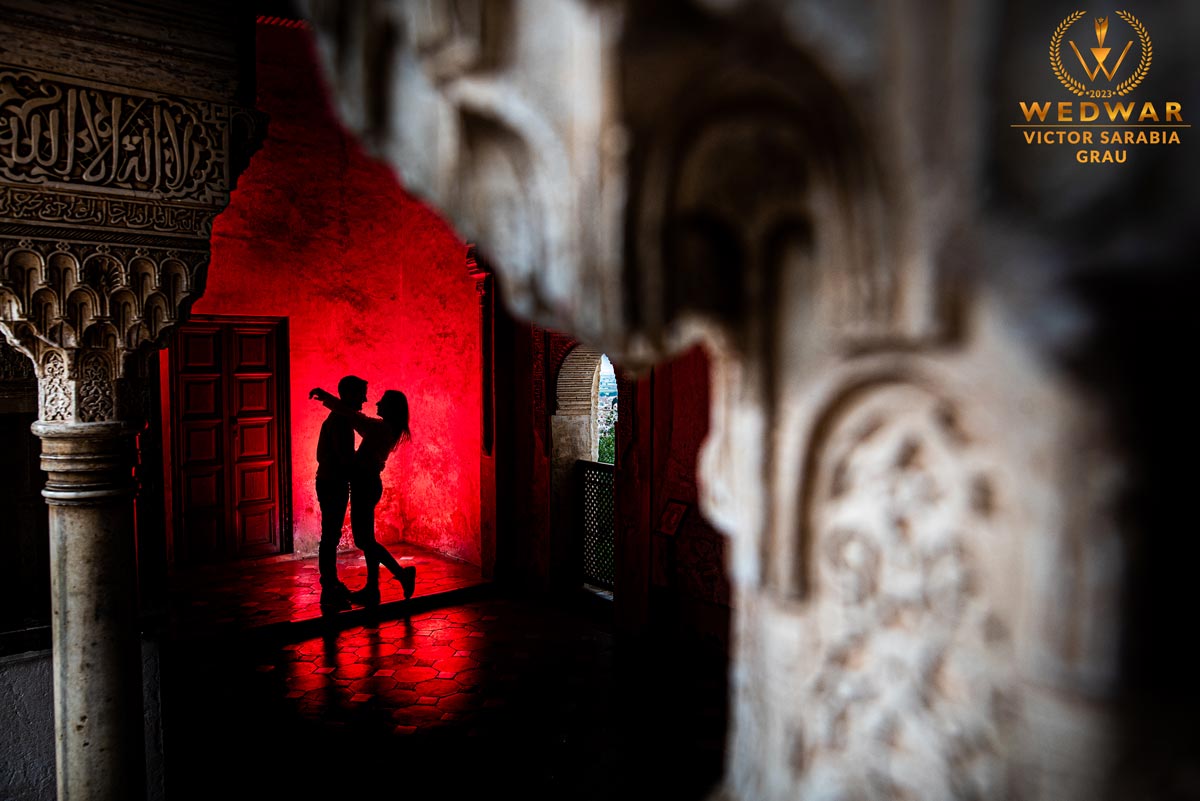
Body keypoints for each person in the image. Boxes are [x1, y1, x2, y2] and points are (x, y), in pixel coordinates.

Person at [309, 385, 416, 605]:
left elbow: (353, 416)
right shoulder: (384, 429)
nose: (376, 402)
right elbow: (354, 417)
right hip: (367, 485)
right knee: (367, 539)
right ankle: (373, 588)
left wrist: (327, 397)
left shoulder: (381, 429)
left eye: (382, 401)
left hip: (365, 486)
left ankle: (401, 575)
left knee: (364, 540)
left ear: (390, 408)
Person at [314, 375, 367, 610]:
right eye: (361, 394)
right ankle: (329, 587)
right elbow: (345, 458)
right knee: (330, 536)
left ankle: (331, 583)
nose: (365, 400)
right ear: (351, 395)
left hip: (329, 480)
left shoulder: (338, 418)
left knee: (331, 534)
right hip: (334, 483)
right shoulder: (341, 422)